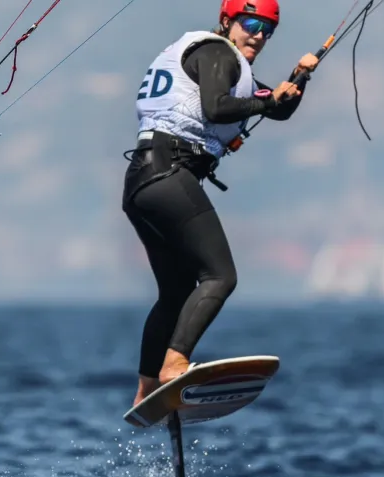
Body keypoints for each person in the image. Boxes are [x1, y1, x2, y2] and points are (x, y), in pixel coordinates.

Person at [122, 0, 318, 407]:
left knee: (176, 291)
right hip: (167, 174)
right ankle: (174, 365)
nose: (259, 35)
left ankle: (147, 387)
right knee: (220, 277)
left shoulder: (220, 61)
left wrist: (299, 77)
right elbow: (217, 107)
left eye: (268, 29)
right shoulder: (216, 53)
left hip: (143, 182)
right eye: (251, 24)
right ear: (228, 21)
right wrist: (267, 102)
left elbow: (277, 108)